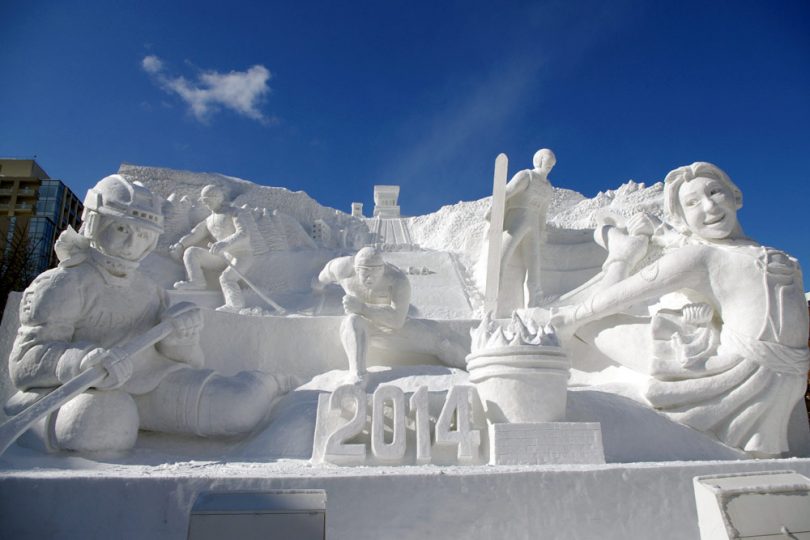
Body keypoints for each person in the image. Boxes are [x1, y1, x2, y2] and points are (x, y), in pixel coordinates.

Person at [6, 175, 291, 452]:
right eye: (121, 229)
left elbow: (187, 362)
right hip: (89, 391)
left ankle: (277, 381)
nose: (132, 245)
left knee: (238, 408)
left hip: (149, 386)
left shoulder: (149, 290)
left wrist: (182, 338)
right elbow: (25, 362)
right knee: (101, 421)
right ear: (94, 222)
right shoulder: (62, 284)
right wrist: (81, 361)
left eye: (143, 235)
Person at [549, 162, 809, 457]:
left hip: (786, 372)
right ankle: (622, 254)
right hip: (729, 372)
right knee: (593, 323)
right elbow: (620, 295)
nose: (709, 207)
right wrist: (571, 317)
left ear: (735, 196)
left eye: (715, 192)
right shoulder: (701, 257)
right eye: (693, 203)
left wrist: (663, 233)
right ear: (682, 218)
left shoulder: (780, 258)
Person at [312, 247, 466, 385]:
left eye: (375, 273)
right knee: (351, 321)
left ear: (382, 269)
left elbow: (398, 320)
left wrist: (362, 307)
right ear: (357, 269)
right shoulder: (342, 269)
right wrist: (317, 285)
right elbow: (325, 274)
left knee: (440, 343)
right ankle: (357, 374)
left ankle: (469, 366)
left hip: (391, 325)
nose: (370, 279)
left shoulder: (397, 280)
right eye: (365, 274)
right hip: (364, 326)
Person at [171, 184, 268, 311]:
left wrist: (224, 244)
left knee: (227, 278)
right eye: (204, 201)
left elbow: (244, 234)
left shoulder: (234, 212)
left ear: (217, 198)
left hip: (241, 254)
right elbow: (194, 234)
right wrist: (180, 244)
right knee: (191, 252)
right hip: (223, 256)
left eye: (208, 200)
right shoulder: (208, 220)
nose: (206, 203)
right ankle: (197, 282)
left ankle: (235, 305)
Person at [487, 148, 555, 314]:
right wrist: (492, 212)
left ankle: (533, 307)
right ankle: (491, 303)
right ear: (539, 159)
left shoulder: (548, 187)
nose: (550, 163)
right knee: (501, 259)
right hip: (517, 219)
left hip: (533, 225)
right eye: (548, 159)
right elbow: (507, 192)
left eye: (552, 161)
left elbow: (543, 213)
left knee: (534, 269)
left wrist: (542, 231)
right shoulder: (526, 176)